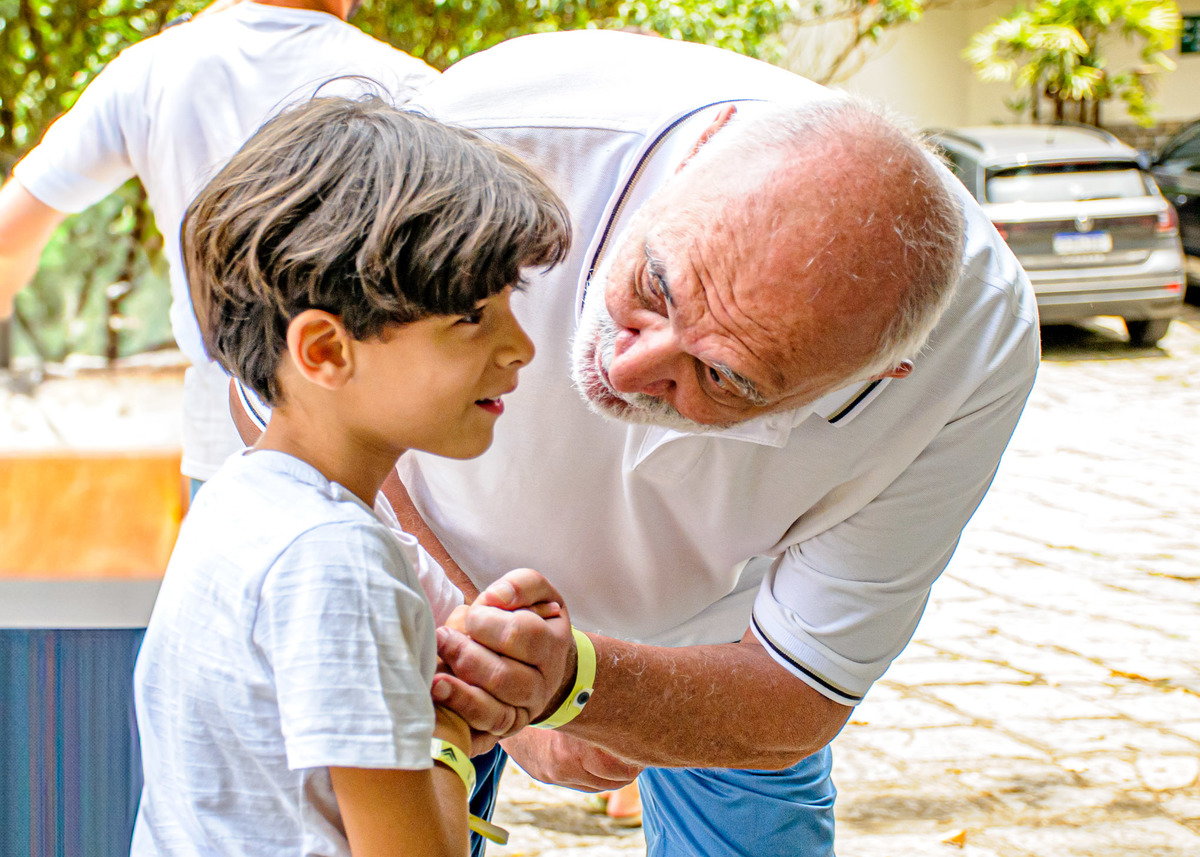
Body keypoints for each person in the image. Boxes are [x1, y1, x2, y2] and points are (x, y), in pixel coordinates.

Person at [380, 31, 1040, 856]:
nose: (627, 366)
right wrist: (486, 659)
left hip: (717, 654)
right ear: (702, 148)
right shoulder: (487, 132)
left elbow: (796, 692)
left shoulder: (974, 356)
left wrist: (576, 684)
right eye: (656, 285)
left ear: (880, 373)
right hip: (422, 563)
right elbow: (277, 405)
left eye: (726, 376)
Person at [132, 94, 574, 856]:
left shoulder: (244, 499)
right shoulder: (338, 561)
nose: (520, 346)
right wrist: (444, 730)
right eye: (472, 315)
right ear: (326, 351)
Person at [0, 0, 437, 491]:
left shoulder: (155, 71)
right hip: (377, 456)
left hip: (225, 451)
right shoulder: (410, 87)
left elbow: (7, 237)